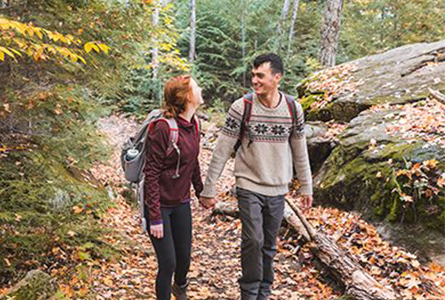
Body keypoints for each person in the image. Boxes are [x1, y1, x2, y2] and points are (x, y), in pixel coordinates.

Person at [200, 53, 313, 300]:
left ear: (277, 78)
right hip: (248, 184)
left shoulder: (293, 109)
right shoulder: (242, 107)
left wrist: (307, 187)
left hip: (278, 188)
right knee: (253, 239)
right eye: (253, 75)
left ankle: (264, 292)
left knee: (269, 246)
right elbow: (222, 150)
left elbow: (300, 152)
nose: (254, 80)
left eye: (260, 75)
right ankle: (249, 292)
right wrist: (209, 189)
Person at [143, 75, 204, 300]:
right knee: (168, 263)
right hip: (160, 206)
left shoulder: (195, 123)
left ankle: (180, 288)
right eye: (196, 87)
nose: (200, 89)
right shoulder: (163, 128)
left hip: (181, 203)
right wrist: (155, 217)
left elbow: (193, 161)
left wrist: (201, 192)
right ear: (186, 96)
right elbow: (151, 174)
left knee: (184, 260)